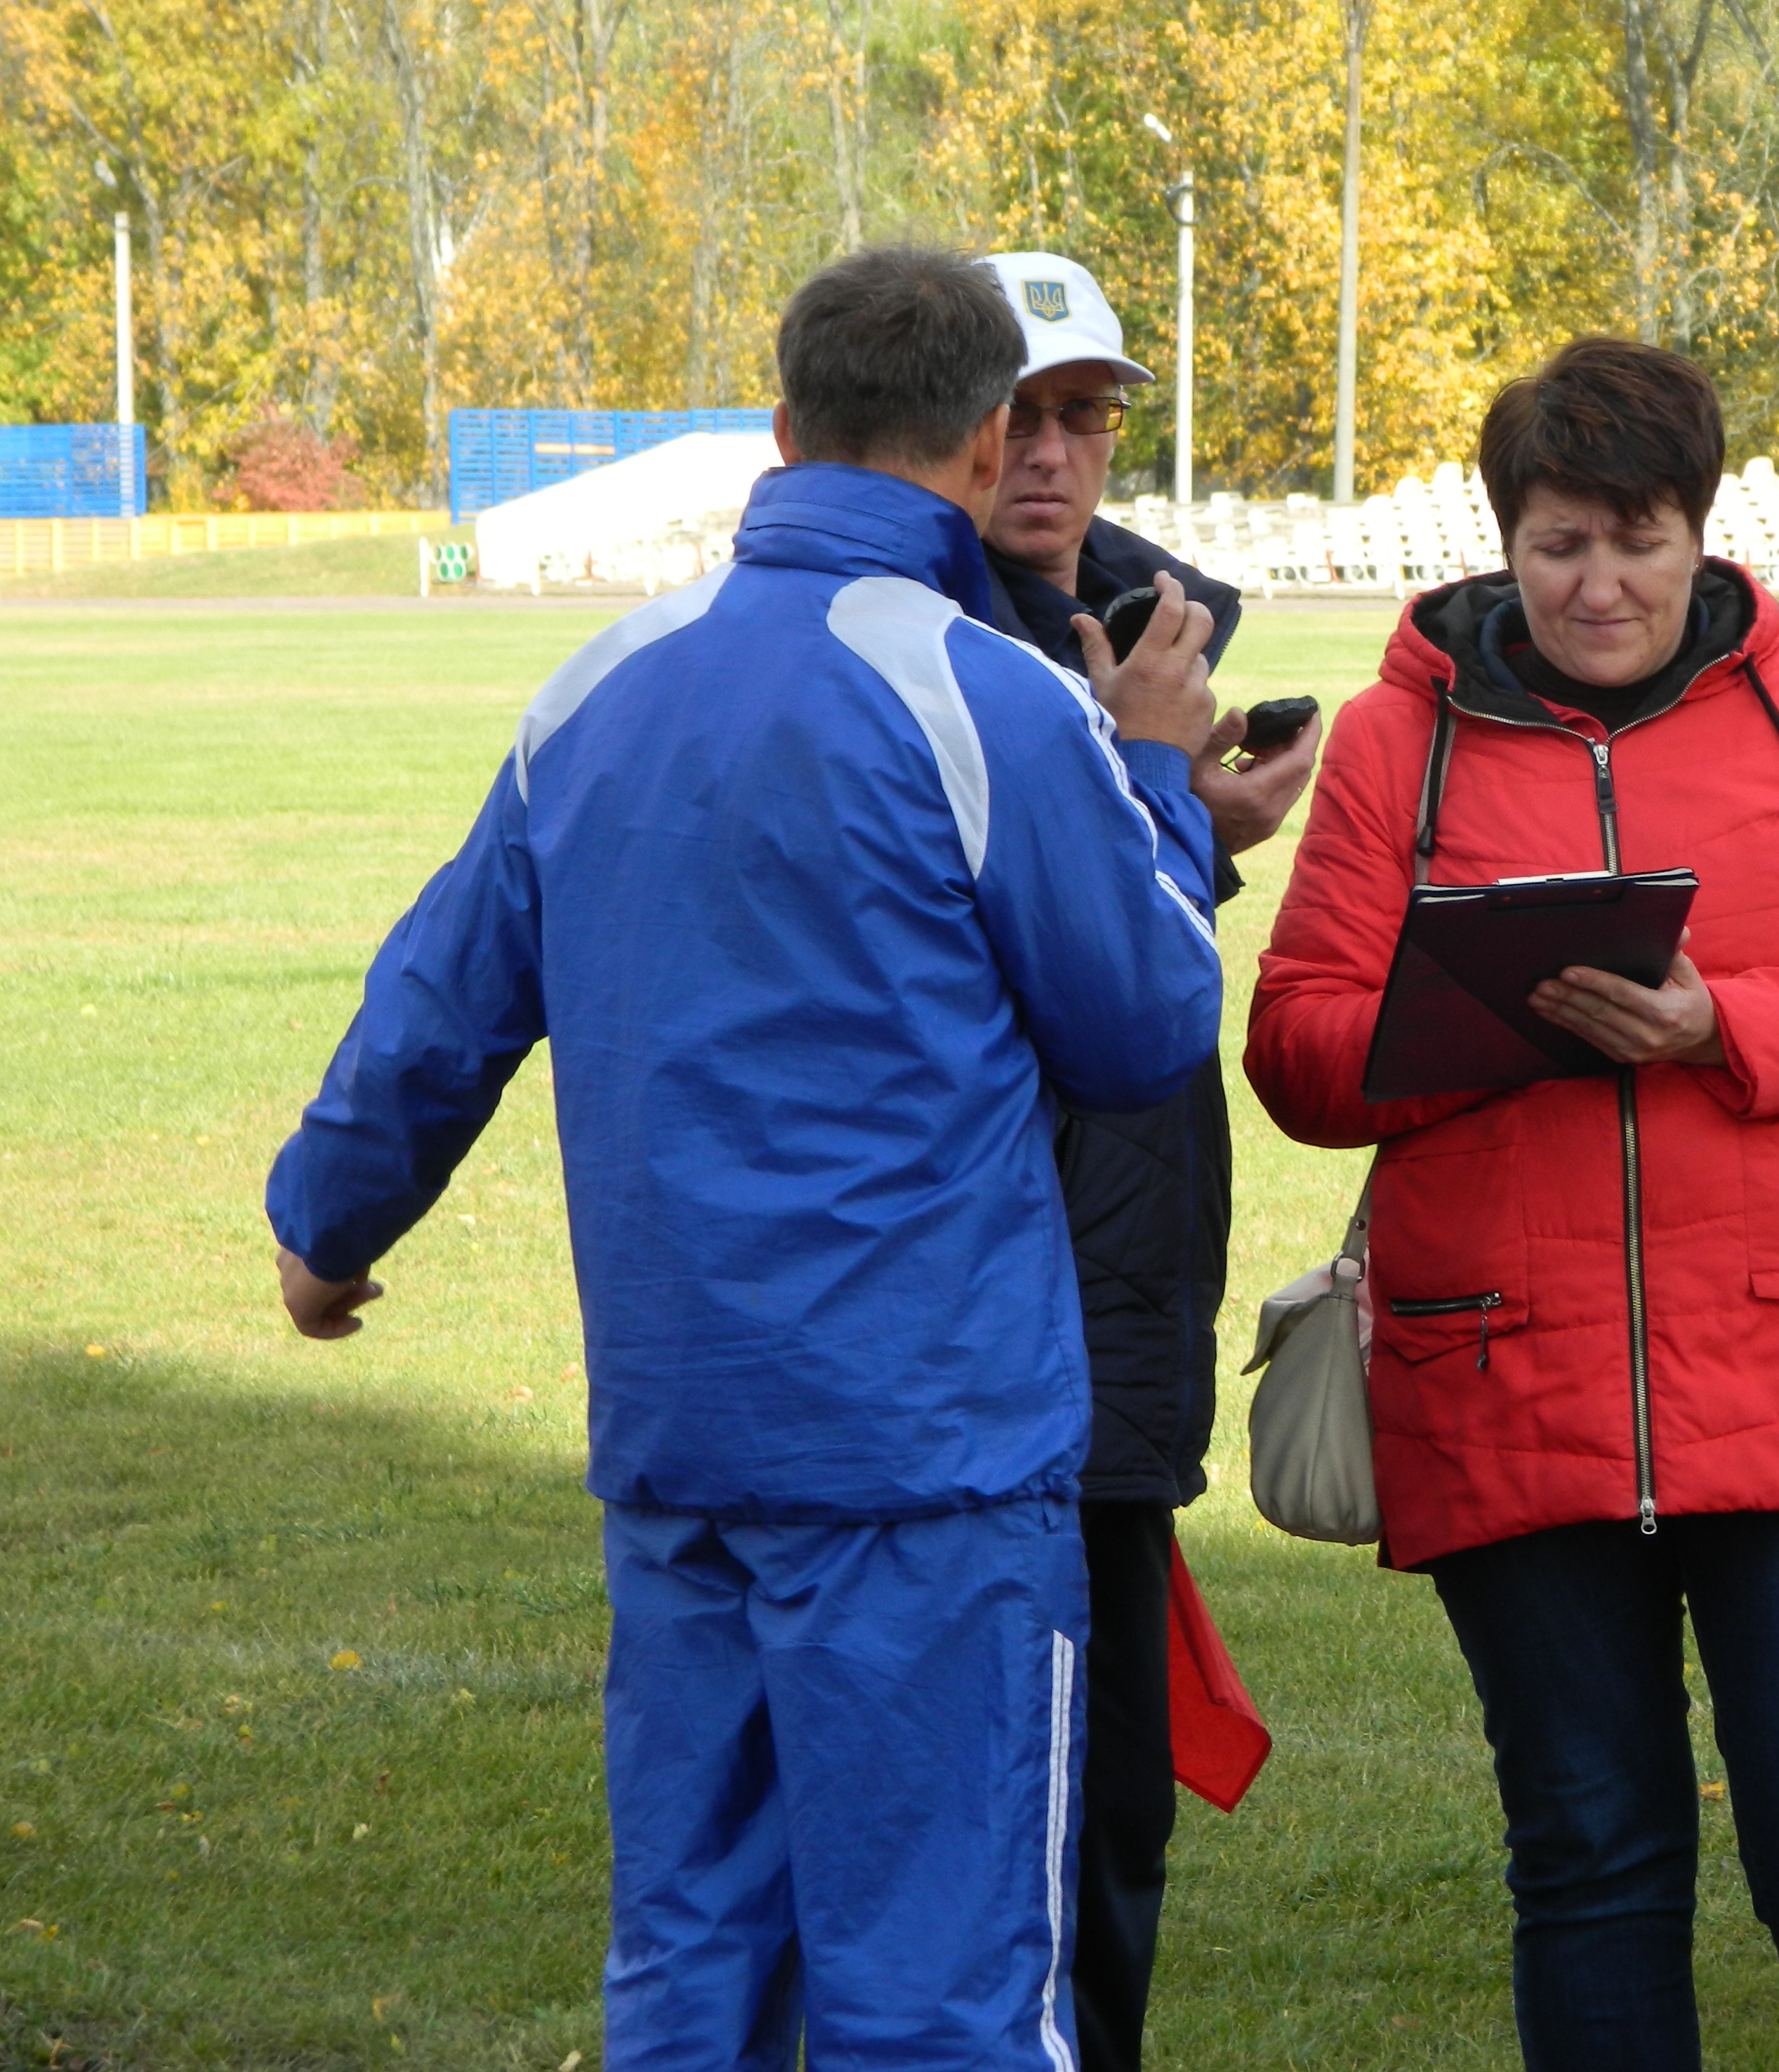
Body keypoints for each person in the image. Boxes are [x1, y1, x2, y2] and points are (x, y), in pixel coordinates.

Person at [264, 243, 1228, 2071]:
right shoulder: (991, 702)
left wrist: (325, 1227)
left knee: (695, 1960)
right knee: (941, 1988)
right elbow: (1146, 1026)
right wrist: (1162, 786)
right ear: (974, 447)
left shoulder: (595, 689)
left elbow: (438, 1003)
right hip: (923, 1464)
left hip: (685, 1441)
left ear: (777, 433)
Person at [1245, 336, 1779, 2072]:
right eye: (1558, 545)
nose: (1599, 586)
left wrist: (1719, 1024)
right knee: (1590, 1867)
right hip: (1506, 1386)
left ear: (1701, 530)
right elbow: (1298, 1058)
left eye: (1637, 539)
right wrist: (1483, 1032)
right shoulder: (1397, 744)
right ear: (1501, 544)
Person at [971, 248, 1318, 2072]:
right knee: (1021, 1860)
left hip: (1109, 1330)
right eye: (1016, 412)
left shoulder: (1136, 634)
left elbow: (1108, 972)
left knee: (1107, 1839)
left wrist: (1202, 825)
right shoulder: (941, 654)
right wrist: (1157, 792)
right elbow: (988, 981)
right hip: (995, 1357)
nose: (1051, 454)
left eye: (1085, 415)